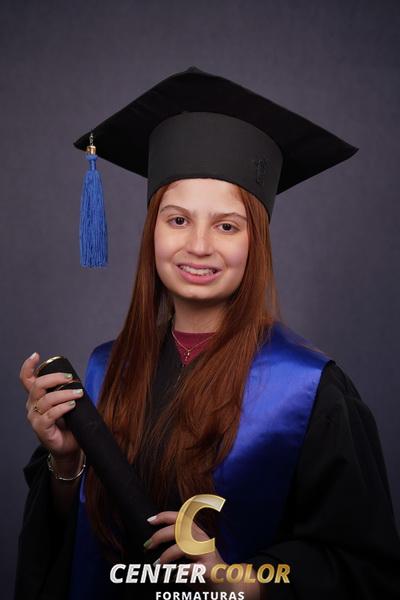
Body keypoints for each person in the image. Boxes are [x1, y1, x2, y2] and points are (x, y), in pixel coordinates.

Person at [15, 66, 400, 600]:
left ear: (255, 242)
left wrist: (240, 580)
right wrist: (64, 460)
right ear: (152, 231)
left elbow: (361, 568)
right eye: (177, 220)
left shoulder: (309, 390)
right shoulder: (103, 373)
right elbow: (66, 553)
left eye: (226, 225)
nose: (198, 246)